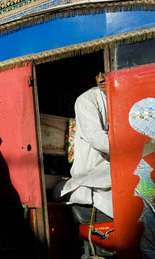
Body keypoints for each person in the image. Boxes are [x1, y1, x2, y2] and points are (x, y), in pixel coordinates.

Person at [52, 70, 112, 218]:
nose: (101, 79)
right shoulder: (87, 100)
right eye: (98, 75)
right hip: (94, 180)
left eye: (104, 73)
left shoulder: (123, 97)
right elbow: (97, 139)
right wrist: (134, 149)